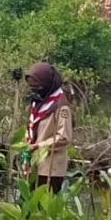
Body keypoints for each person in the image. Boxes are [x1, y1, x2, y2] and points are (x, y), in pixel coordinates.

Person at [24, 61, 72, 194]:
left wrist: (39, 146)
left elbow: (64, 137)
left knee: (44, 208)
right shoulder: (39, 102)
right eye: (31, 86)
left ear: (47, 84)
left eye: (37, 86)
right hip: (34, 165)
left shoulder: (61, 105)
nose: (34, 90)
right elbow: (33, 127)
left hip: (50, 168)